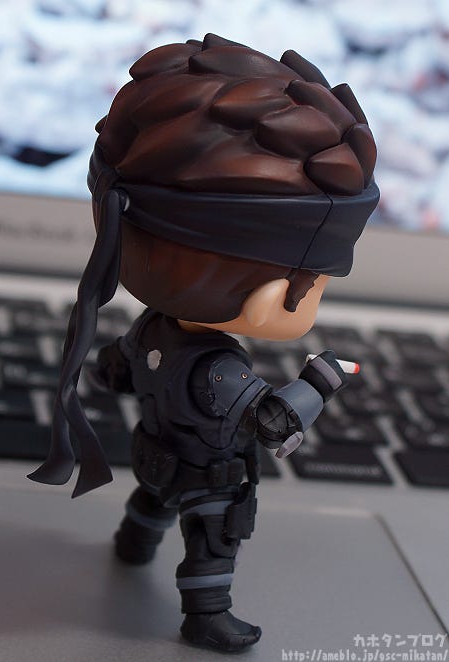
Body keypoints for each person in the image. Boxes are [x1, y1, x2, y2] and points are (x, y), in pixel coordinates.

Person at [28, 33, 379, 653]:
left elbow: (116, 369)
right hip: (206, 474)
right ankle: (207, 614)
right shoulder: (219, 370)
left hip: (154, 455)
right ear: (273, 295)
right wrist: (321, 378)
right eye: (318, 282)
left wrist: (112, 373)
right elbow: (271, 423)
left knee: (151, 504)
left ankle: (132, 544)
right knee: (213, 538)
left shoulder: (150, 328)